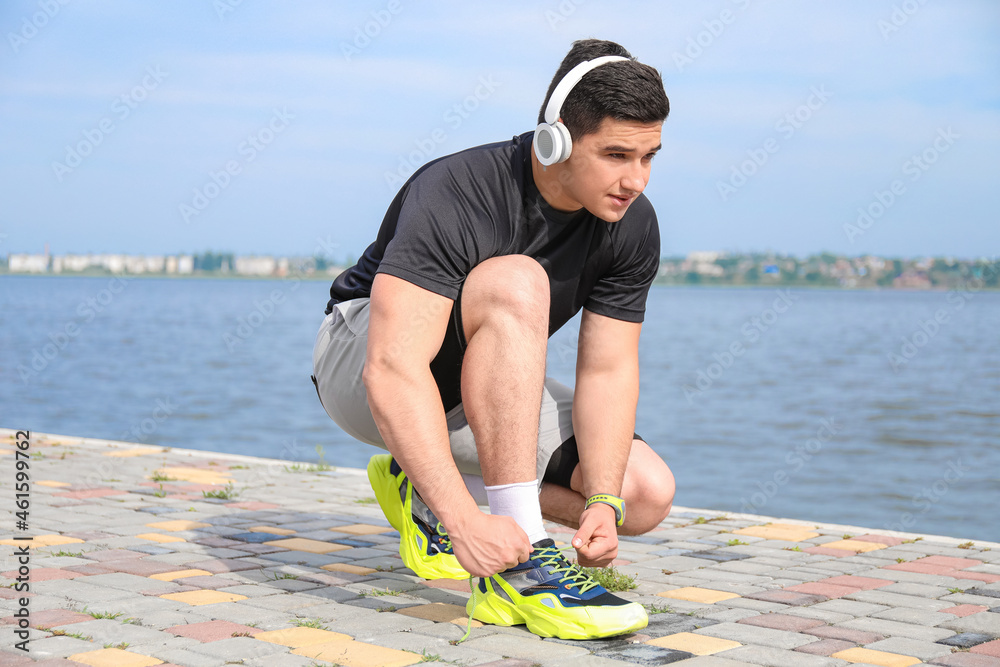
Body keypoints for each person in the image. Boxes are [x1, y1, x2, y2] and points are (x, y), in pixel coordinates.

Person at [312, 38, 675, 640]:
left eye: (649, 157)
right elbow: (392, 367)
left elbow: (607, 373)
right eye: (616, 155)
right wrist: (463, 523)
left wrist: (602, 502)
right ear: (555, 138)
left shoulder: (631, 224)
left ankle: (419, 483)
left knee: (643, 493)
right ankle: (521, 565)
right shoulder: (459, 188)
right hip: (359, 366)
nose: (635, 180)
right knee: (517, 279)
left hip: (472, 388)